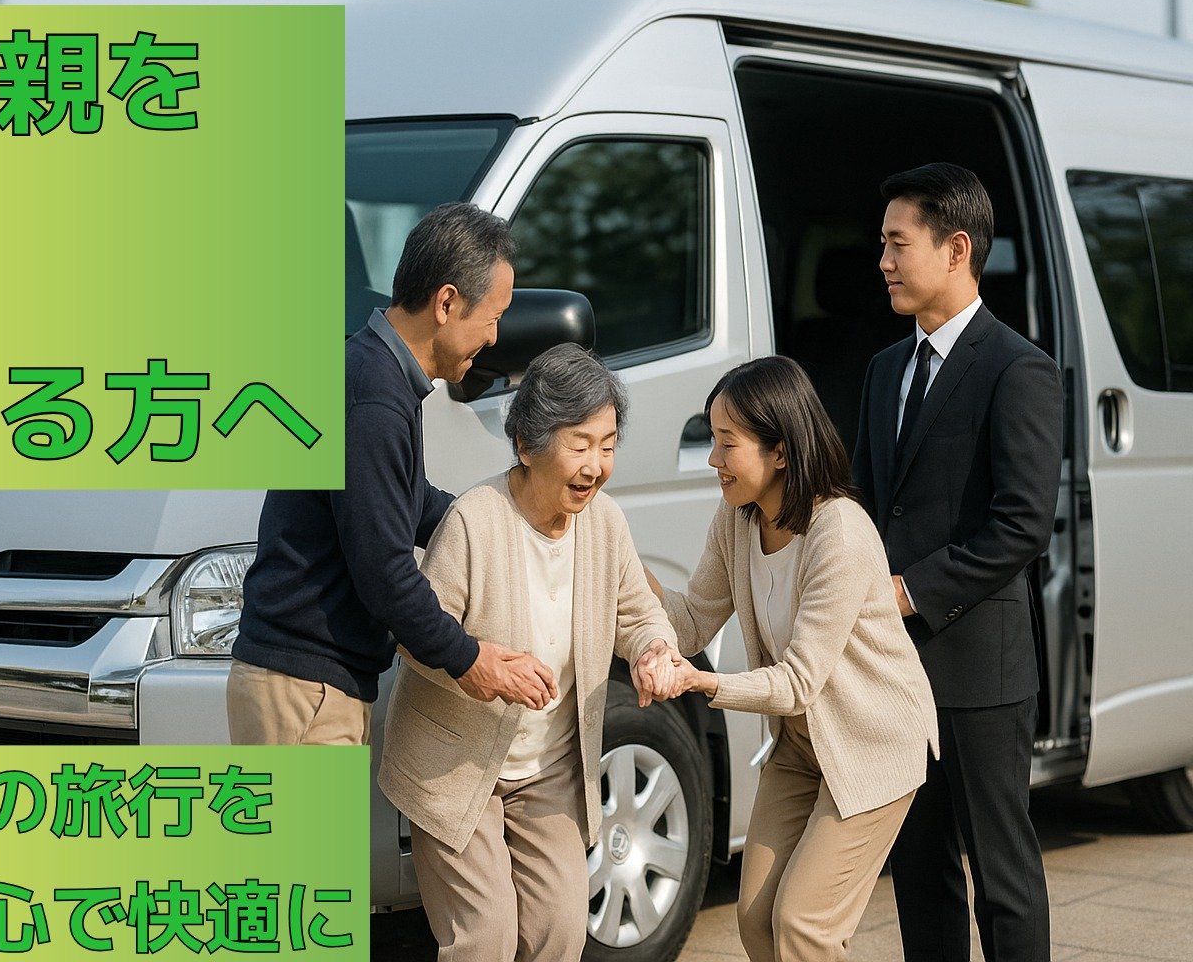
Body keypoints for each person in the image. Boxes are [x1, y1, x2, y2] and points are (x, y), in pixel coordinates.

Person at [378, 343, 680, 962]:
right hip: (457, 769)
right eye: (580, 444)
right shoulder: (474, 521)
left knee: (560, 934)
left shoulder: (605, 524)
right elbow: (415, 637)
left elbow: (638, 611)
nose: (596, 465)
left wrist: (653, 650)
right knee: (484, 939)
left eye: (607, 445)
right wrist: (482, 668)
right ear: (526, 445)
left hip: (549, 768)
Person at [227, 202, 556, 746]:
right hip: (305, 689)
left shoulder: (371, 371)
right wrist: (467, 659)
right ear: (446, 303)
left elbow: (409, 500)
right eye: (492, 317)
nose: (495, 338)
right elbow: (384, 570)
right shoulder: (374, 398)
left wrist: (503, 522)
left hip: (303, 683)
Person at [651, 355, 939, 962]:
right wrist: (620, 568)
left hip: (871, 746)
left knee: (804, 924)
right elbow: (693, 618)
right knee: (756, 919)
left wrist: (702, 682)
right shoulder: (737, 520)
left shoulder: (840, 531)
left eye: (727, 443)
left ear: (780, 451)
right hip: (801, 747)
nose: (713, 459)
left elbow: (798, 683)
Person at [853, 163, 1063, 962]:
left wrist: (909, 592)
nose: (882, 261)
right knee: (919, 873)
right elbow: (866, 507)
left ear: (956, 249)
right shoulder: (883, 370)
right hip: (894, 670)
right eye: (882, 245)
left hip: (981, 671)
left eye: (896, 244)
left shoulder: (1018, 368)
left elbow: (1021, 526)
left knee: (1003, 879)